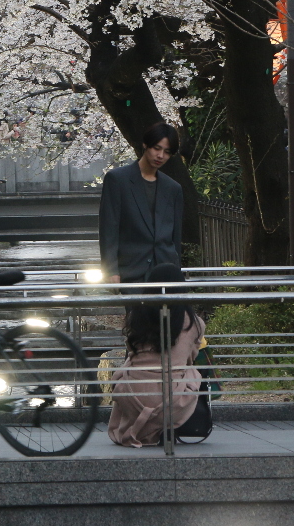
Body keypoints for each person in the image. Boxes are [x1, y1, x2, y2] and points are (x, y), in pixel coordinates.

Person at [107, 264, 206, 447]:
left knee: (130, 364)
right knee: (192, 371)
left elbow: (131, 349)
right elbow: (191, 357)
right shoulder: (194, 322)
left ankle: (139, 427)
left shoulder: (136, 315)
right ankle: (165, 427)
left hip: (132, 395)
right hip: (173, 400)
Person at [98, 123, 185, 284]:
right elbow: (109, 229)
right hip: (131, 270)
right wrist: (110, 270)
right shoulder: (117, 180)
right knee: (136, 310)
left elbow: (175, 236)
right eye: (156, 148)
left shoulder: (173, 188)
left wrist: (176, 271)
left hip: (166, 269)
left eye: (167, 152)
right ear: (145, 145)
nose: (160, 156)